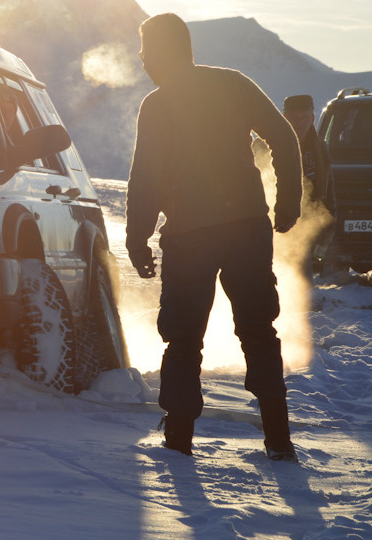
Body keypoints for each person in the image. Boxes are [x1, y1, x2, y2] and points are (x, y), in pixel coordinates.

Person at [125, 13, 303, 461]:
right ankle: (279, 443)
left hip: (189, 236)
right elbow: (283, 135)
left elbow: (144, 178)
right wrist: (288, 202)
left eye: (147, 51)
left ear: (165, 52)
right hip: (247, 228)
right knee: (260, 332)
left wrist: (137, 238)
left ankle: (179, 442)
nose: (143, 60)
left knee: (184, 338)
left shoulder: (158, 104)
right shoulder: (232, 83)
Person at [283, 94, 336, 271]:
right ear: (284, 118)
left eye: (304, 117)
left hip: (308, 225)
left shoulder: (320, 147)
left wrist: (330, 223)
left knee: (303, 278)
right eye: (293, 118)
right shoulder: (267, 145)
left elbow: (328, 188)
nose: (299, 123)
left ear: (313, 118)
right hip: (279, 225)